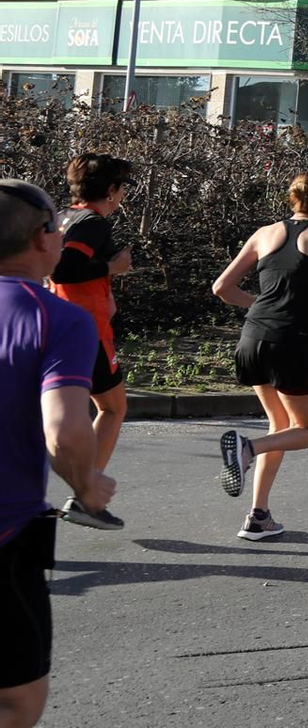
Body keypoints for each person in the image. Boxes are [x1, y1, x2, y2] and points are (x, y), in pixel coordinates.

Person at [0, 179, 118, 728]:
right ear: (45, 239)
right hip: (5, 532)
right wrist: (88, 486)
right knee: (14, 699)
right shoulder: (55, 317)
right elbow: (65, 432)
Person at [213, 171, 308, 540]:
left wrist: (259, 305)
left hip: (253, 339)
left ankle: (258, 516)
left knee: (281, 426)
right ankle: (247, 448)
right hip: (294, 341)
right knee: (307, 432)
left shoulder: (263, 234)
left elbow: (222, 287)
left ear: (292, 199)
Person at [47, 154, 135, 530]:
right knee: (113, 408)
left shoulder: (62, 217)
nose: (123, 195)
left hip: (56, 322)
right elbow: (65, 268)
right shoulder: (93, 223)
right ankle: (87, 494)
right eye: (122, 188)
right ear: (112, 190)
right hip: (86, 330)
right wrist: (111, 268)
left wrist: (105, 287)